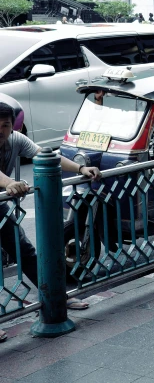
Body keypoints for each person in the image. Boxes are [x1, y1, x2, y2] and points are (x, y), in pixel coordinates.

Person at [0, 102, 98, 343]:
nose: (0, 130)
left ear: (13, 126)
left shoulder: (15, 140)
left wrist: (80, 168)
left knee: (25, 251)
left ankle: (58, 296)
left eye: (5, 125)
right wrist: (8, 183)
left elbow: (46, 155)